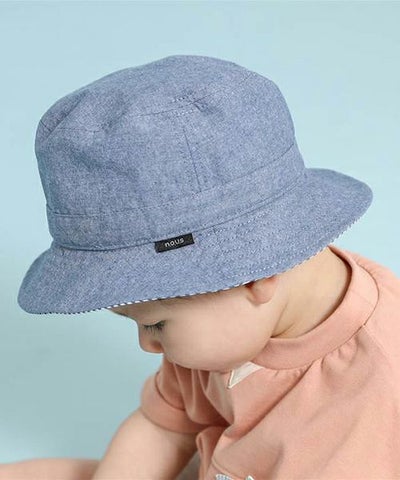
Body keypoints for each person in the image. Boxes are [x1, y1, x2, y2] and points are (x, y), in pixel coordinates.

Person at [3, 54, 400, 479]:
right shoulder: (229, 320)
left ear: (252, 272)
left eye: (156, 324)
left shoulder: (373, 387)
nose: (147, 345)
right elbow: (163, 426)